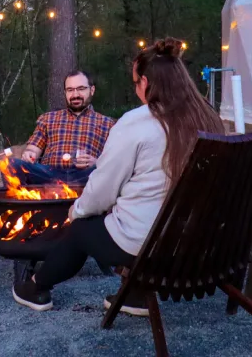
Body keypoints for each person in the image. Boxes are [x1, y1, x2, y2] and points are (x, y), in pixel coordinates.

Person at [12, 38, 225, 315]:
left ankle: (36, 286)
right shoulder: (209, 120)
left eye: (136, 83)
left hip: (150, 245)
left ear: (146, 83)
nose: (136, 89)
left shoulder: (136, 123)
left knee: (81, 228)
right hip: (200, 244)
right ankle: (136, 294)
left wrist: (76, 211)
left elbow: (102, 190)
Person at [4, 71, 114, 186]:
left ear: (92, 90)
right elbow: (33, 148)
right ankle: (20, 204)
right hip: (49, 174)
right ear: (65, 92)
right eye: (70, 90)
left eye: (81, 89)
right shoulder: (48, 118)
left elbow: (115, 160)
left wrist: (97, 162)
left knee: (106, 170)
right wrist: (29, 154)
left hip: (85, 176)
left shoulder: (107, 123)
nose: (75, 94)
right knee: (12, 164)